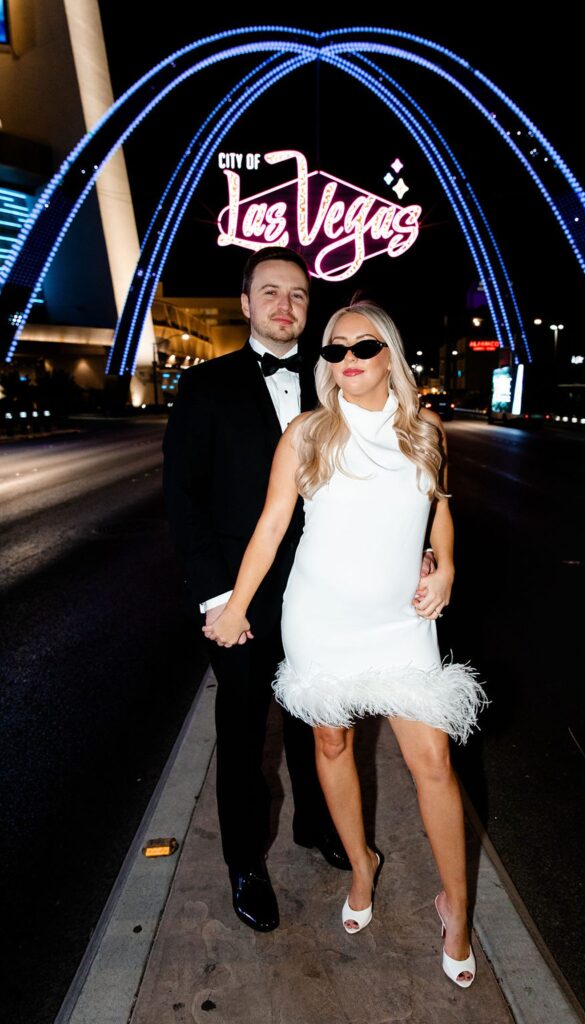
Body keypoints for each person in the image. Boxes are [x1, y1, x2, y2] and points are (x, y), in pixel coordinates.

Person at [203, 301, 486, 987]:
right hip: (320, 616)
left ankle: (456, 905)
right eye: (334, 349)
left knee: (433, 762)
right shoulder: (307, 433)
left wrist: (443, 565)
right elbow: (270, 528)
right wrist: (235, 606)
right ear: (325, 363)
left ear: (389, 352)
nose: (347, 356)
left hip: (400, 622)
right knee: (331, 744)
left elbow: (437, 507)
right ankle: (361, 863)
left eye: (363, 344)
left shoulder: (425, 430)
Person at [162, 246, 355, 934]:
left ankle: (315, 825)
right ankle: (245, 863)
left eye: (298, 295)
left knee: (317, 723)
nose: (285, 305)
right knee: (243, 739)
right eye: (269, 293)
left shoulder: (338, 382)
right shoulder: (204, 387)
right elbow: (184, 500)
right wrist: (217, 599)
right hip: (240, 600)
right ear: (245, 305)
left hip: (324, 595)